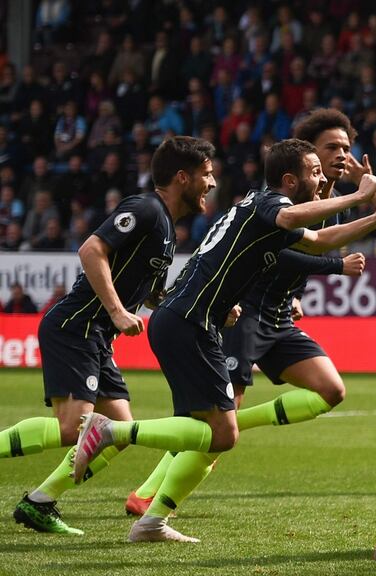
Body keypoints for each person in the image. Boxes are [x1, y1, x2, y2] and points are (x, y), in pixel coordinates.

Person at [71, 139, 376, 542]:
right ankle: (110, 434)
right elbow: (296, 223)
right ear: (290, 180)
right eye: (315, 172)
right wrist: (358, 196)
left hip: (188, 319)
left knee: (210, 431)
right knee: (222, 434)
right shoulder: (270, 205)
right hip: (190, 322)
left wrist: (374, 217)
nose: (323, 178)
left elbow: (321, 241)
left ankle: (151, 520)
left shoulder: (263, 210)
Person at [1, 137, 216, 535]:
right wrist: (117, 311)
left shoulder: (167, 229)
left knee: (116, 431)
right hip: (76, 325)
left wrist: (197, 305)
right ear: (182, 177)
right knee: (75, 430)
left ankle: (40, 502)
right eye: (206, 174)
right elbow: (91, 249)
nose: (213, 182)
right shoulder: (147, 208)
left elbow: (148, 290)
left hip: (96, 335)